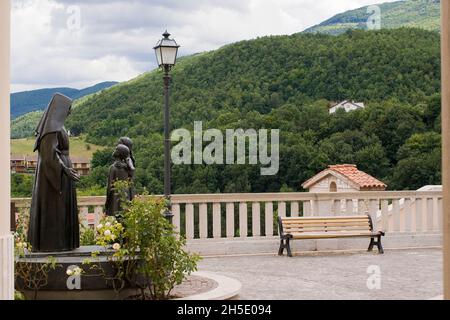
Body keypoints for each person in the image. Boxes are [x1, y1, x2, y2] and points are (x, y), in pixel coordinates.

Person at [28, 93, 80, 252]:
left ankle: (63, 243)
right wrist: (65, 170)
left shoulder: (55, 126)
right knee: (56, 210)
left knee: (60, 209)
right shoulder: (51, 129)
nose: (69, 112)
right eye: (67, 109)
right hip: (55, 175)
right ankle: (55, 244)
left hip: (61, 170)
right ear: (59, 110)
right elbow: (49, 156)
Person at [105, 144, 133, 217]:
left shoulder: (113, 168)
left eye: (116, 149)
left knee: (118, 221)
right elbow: (130, 184)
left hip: (116, 198)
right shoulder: (126, 168)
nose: (114, 151)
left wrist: (107, 203)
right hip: (126, 196)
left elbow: (109, 187)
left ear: (119, 153)